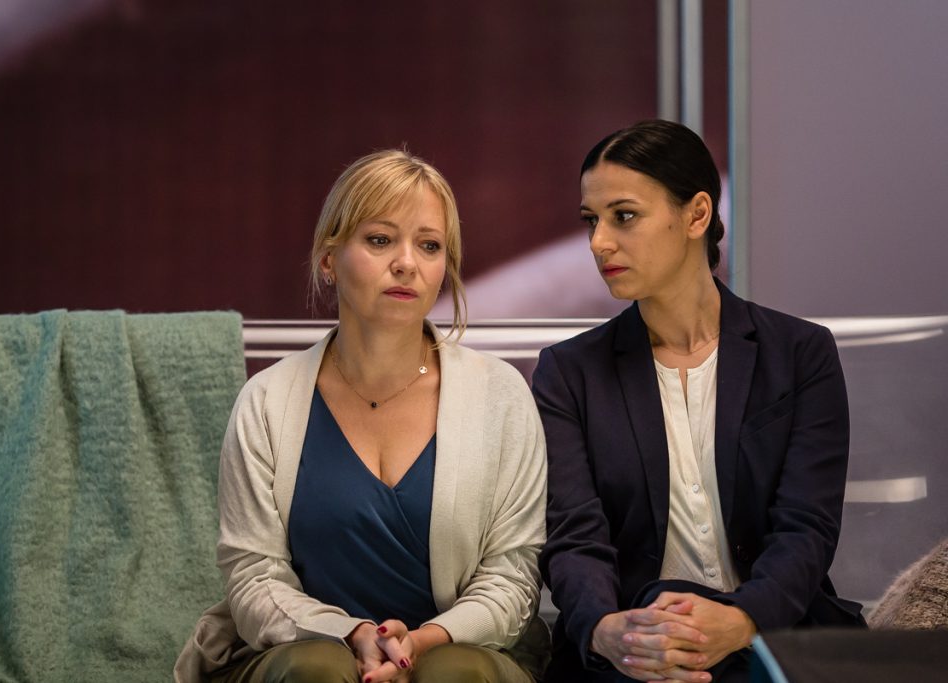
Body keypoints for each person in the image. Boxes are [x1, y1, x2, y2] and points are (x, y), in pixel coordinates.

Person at [175, 149, 548, 683]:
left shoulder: (502, 396)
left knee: (454, 673)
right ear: (329, 260)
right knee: (315, 669)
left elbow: (513, 576)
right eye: (379, 240)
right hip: (302, 647)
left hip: (463, 651)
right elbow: (253, 577)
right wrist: (351, 634)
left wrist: (420, 643)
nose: (407, 263)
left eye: (429, 246)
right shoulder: (266, 401)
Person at [531, 120, 865, 683]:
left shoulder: (800, 353)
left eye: (623, 216)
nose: (598, 242)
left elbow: (807, 528)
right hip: (633, 649)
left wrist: (740, 620)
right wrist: (606, 629)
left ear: (697, 215)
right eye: (591, 220)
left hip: (773, 636)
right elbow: (573, 536)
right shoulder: (569, 372)